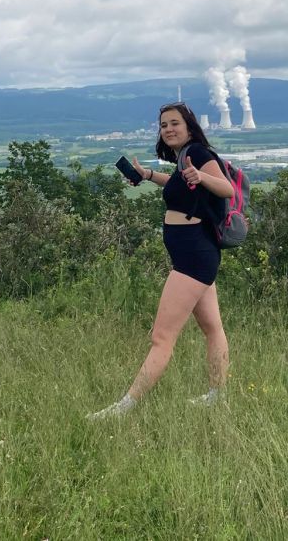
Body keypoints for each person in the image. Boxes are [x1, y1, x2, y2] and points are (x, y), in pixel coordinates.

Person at [88, 102, 231, 419]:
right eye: (164, 125)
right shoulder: (184, 158)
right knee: (212, 328)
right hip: (196, 255)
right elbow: (179, 185)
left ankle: (124, 408)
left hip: (193, 258)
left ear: (190, 126)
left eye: (175, 123)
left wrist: (201, 176)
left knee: (161, 337)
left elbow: (226, 189)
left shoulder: (199, 154)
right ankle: (217, 396)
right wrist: (149, 175)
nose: (168, 129)